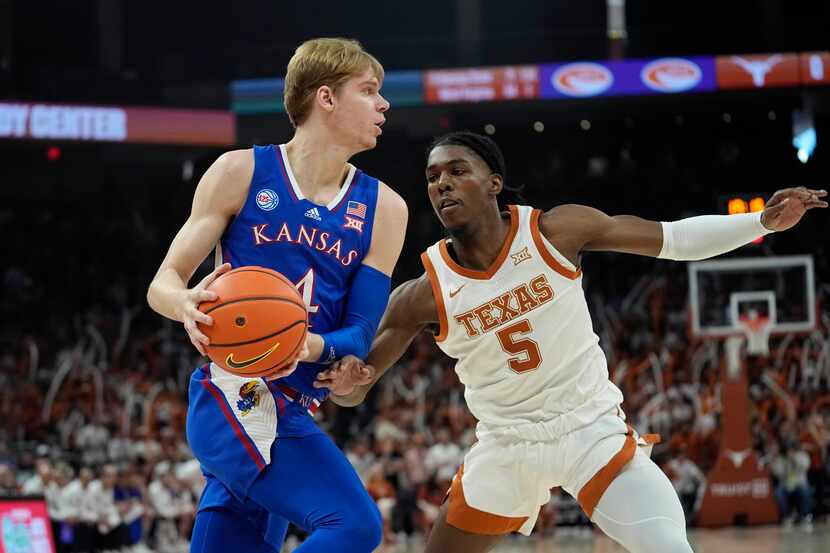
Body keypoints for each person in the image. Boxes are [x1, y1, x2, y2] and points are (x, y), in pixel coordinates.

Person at [318, 131, 827, 553]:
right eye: (433, 178)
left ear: (494, 183)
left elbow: (673, 239)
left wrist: (760, 221)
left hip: (590, 428)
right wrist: (348, 381)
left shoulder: (555, 232)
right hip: (507, 445)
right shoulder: (422, 293)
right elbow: (357, 387)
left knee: (671, 549)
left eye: (457, 171)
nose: (443, 184)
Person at [146, 37, 407, 553]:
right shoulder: (240, 171)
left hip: (298, 403)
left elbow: (358, 332)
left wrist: (317, 349)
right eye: (370, 90)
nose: (384, 104)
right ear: (326, 98)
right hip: (238, 395)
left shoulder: (385, 209)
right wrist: (184, 304)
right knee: (354, 525)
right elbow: (163, 282)